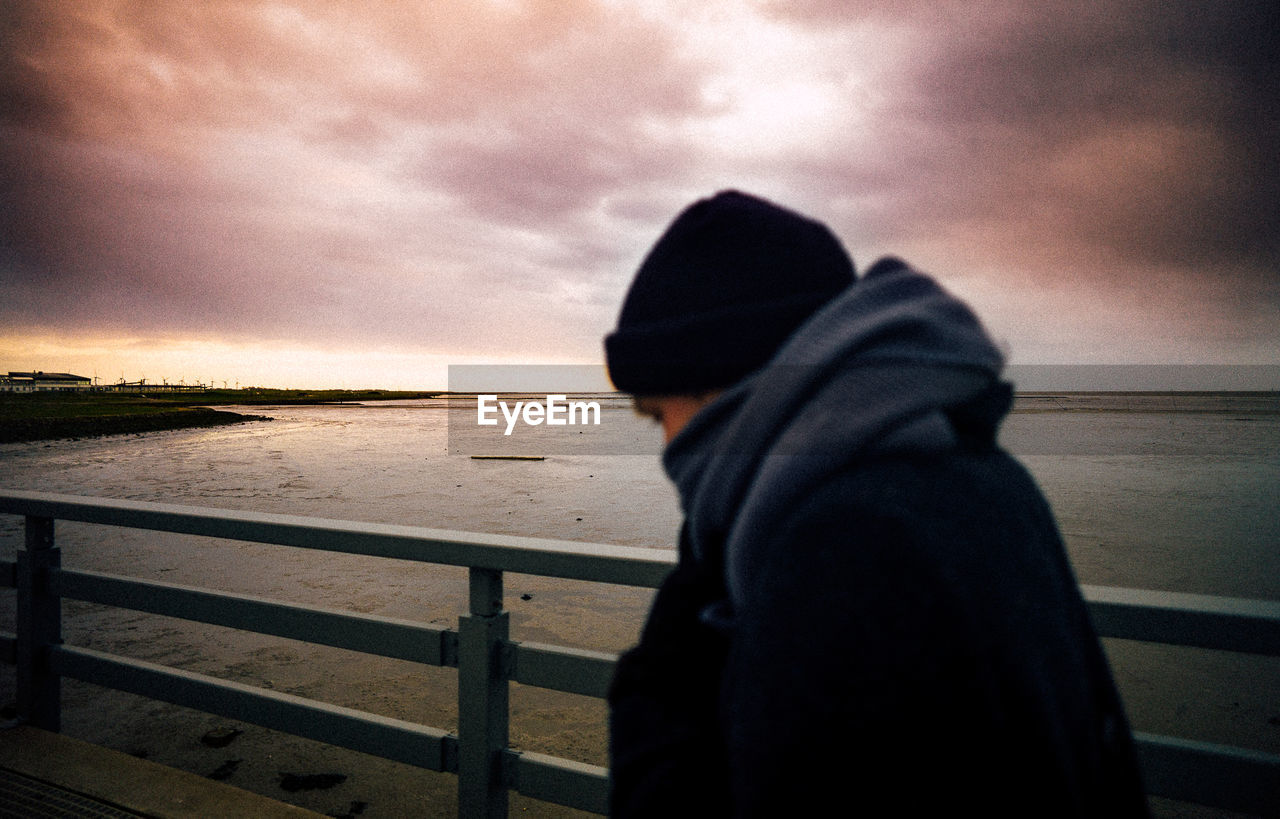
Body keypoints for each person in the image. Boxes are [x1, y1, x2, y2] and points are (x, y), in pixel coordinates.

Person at [603, 190, 1149, 817]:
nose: (668, 450)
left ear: (723, 393)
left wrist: (668, 661)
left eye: (658, 417)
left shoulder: (838, 553)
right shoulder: (985, 477)